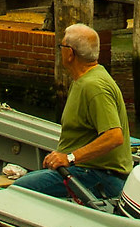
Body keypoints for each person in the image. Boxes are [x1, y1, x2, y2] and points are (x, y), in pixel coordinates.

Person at [17, 24, 132, 203]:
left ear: (70, 53)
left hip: (97, 175)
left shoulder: (94, 86)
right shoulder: (84, 80)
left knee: (18, 191)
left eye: (61, 47)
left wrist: (69, 157)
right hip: (83, 169)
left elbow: (114, 136)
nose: (60, 51)